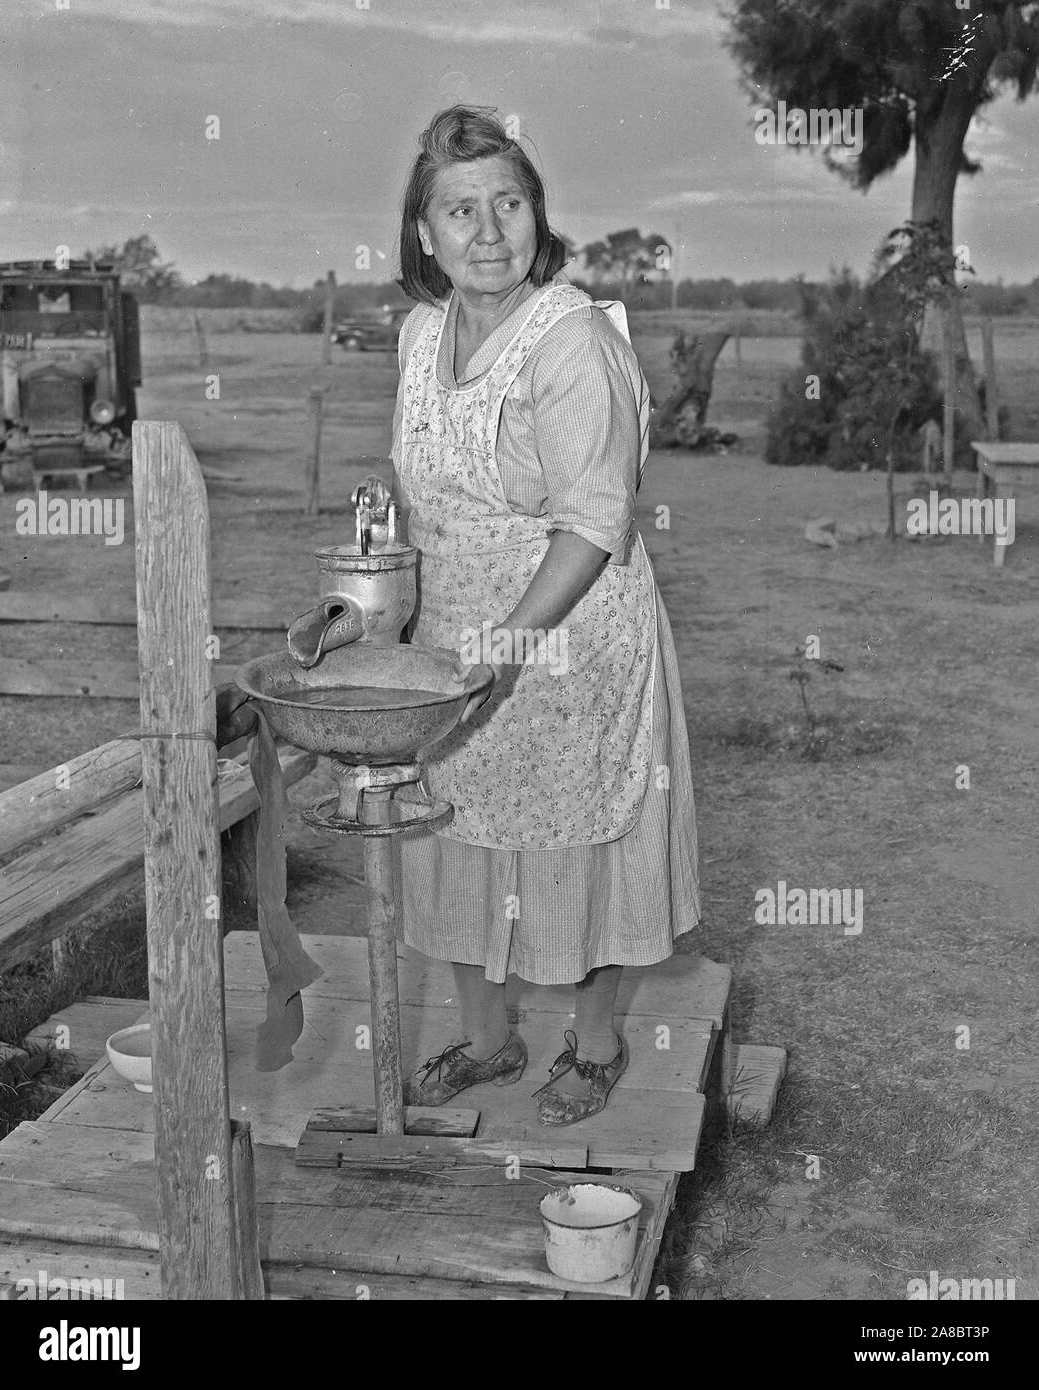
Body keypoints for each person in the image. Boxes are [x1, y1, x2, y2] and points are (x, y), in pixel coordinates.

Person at [389, 105, 699, 1127]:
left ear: (538, 219)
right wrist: (368, 604)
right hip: (453, 643)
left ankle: (597, 1043)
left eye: (509, 204)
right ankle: (488, 1039)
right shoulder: (419, 336)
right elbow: (422, 499)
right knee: (459, 835)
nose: (488, 231)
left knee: (577, 842)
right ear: (423, 232)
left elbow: (594, 524)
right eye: (461, 210)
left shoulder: (569, 344)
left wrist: (507, 651)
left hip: (568, 637)